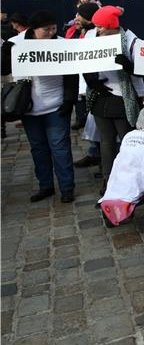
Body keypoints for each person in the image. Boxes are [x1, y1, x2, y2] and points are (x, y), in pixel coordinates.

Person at [15, 11, 78, 203]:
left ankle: (67, 188)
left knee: (60, 148)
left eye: (53, 28)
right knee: (38, 148)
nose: (51, 32)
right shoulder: (16, 43)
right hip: (29, 108)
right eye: (46, 29)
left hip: (56, 105)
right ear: (34, 29)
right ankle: (46, 186)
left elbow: (72, 75)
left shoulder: (61, 44)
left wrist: (69, 101)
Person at [83, 6, 144, 189]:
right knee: (106, 141)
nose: (98, 30)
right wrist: (91, 81)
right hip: (101, 96)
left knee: (127, 140)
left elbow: (142, 71)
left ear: (111, 25)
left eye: (101, 26)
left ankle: (129, 178)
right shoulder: (92, 37)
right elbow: (82, 61)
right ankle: (108, 180)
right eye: (96, 26)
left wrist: (129, 66)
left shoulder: (131, 41)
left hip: (124, 98)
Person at [66, 2, 100, 132]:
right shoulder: (82, 32)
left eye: (80, 15)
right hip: (83, 80)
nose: (76, 19)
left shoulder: (96, 34)